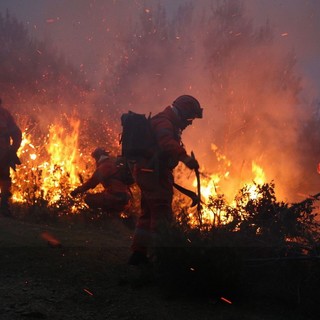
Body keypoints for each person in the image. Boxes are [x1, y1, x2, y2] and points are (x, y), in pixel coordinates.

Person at [129, 95, 203, 265]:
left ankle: (138, 255)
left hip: (151, 172)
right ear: (182, 112)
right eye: (190, 118)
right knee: (161, 214)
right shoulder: (164, 121)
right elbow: (166, 142)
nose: (190, 122)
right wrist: (185, 158)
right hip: (152, 173)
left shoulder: (168, 121)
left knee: (148, 214)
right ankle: (161, 257)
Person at [70, 148, 131, 212]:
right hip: (125, 199)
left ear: (98, 157)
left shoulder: (104, 166)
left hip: (115, 198)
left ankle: (101, 218)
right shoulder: (112, 163)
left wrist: (77, 191)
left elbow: (91, 183)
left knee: (88, 199)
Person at [0, 98, 22, 217]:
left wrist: (12, 150)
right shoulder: (5, 114)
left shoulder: (5, 115)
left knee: (4, 178)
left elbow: (16, 133)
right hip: (3, 153)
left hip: (3, 154)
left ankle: (3, 206)